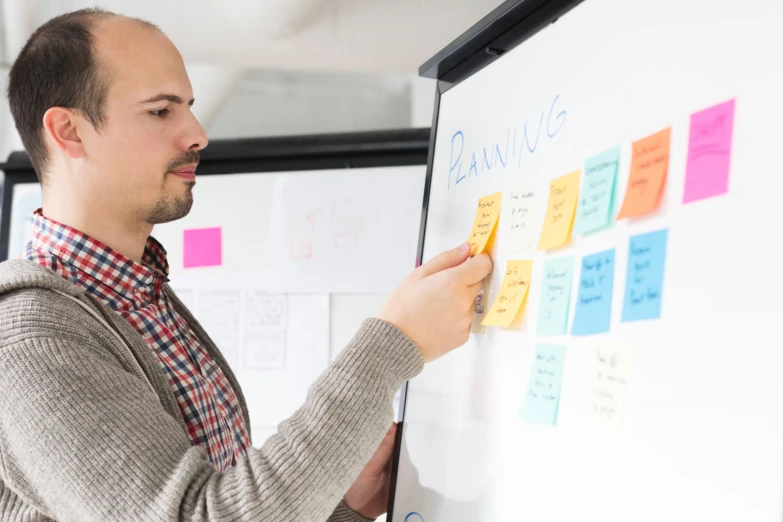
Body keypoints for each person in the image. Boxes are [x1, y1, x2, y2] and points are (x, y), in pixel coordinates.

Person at [0, 8, 493, 522]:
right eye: (161, 111)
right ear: (70, 131)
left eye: (188, 106)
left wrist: (343, 508)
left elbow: (219, 501)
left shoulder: (140, 298)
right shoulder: (31, 338)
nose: (197, 133)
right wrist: (395, 343)